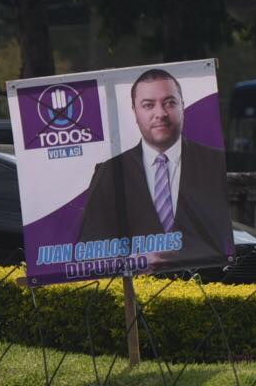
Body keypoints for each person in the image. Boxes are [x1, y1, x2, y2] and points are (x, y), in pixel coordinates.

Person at [76, 68, 231, 266]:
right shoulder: (110, 172)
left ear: (182, 106)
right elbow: (88, 247)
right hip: (139, 288)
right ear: (135, 111)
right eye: (148, 105)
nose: (161, 113)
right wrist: (137, 261)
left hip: (206, 285)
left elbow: (226, 236)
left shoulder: (215, 164)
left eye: (170, 103)